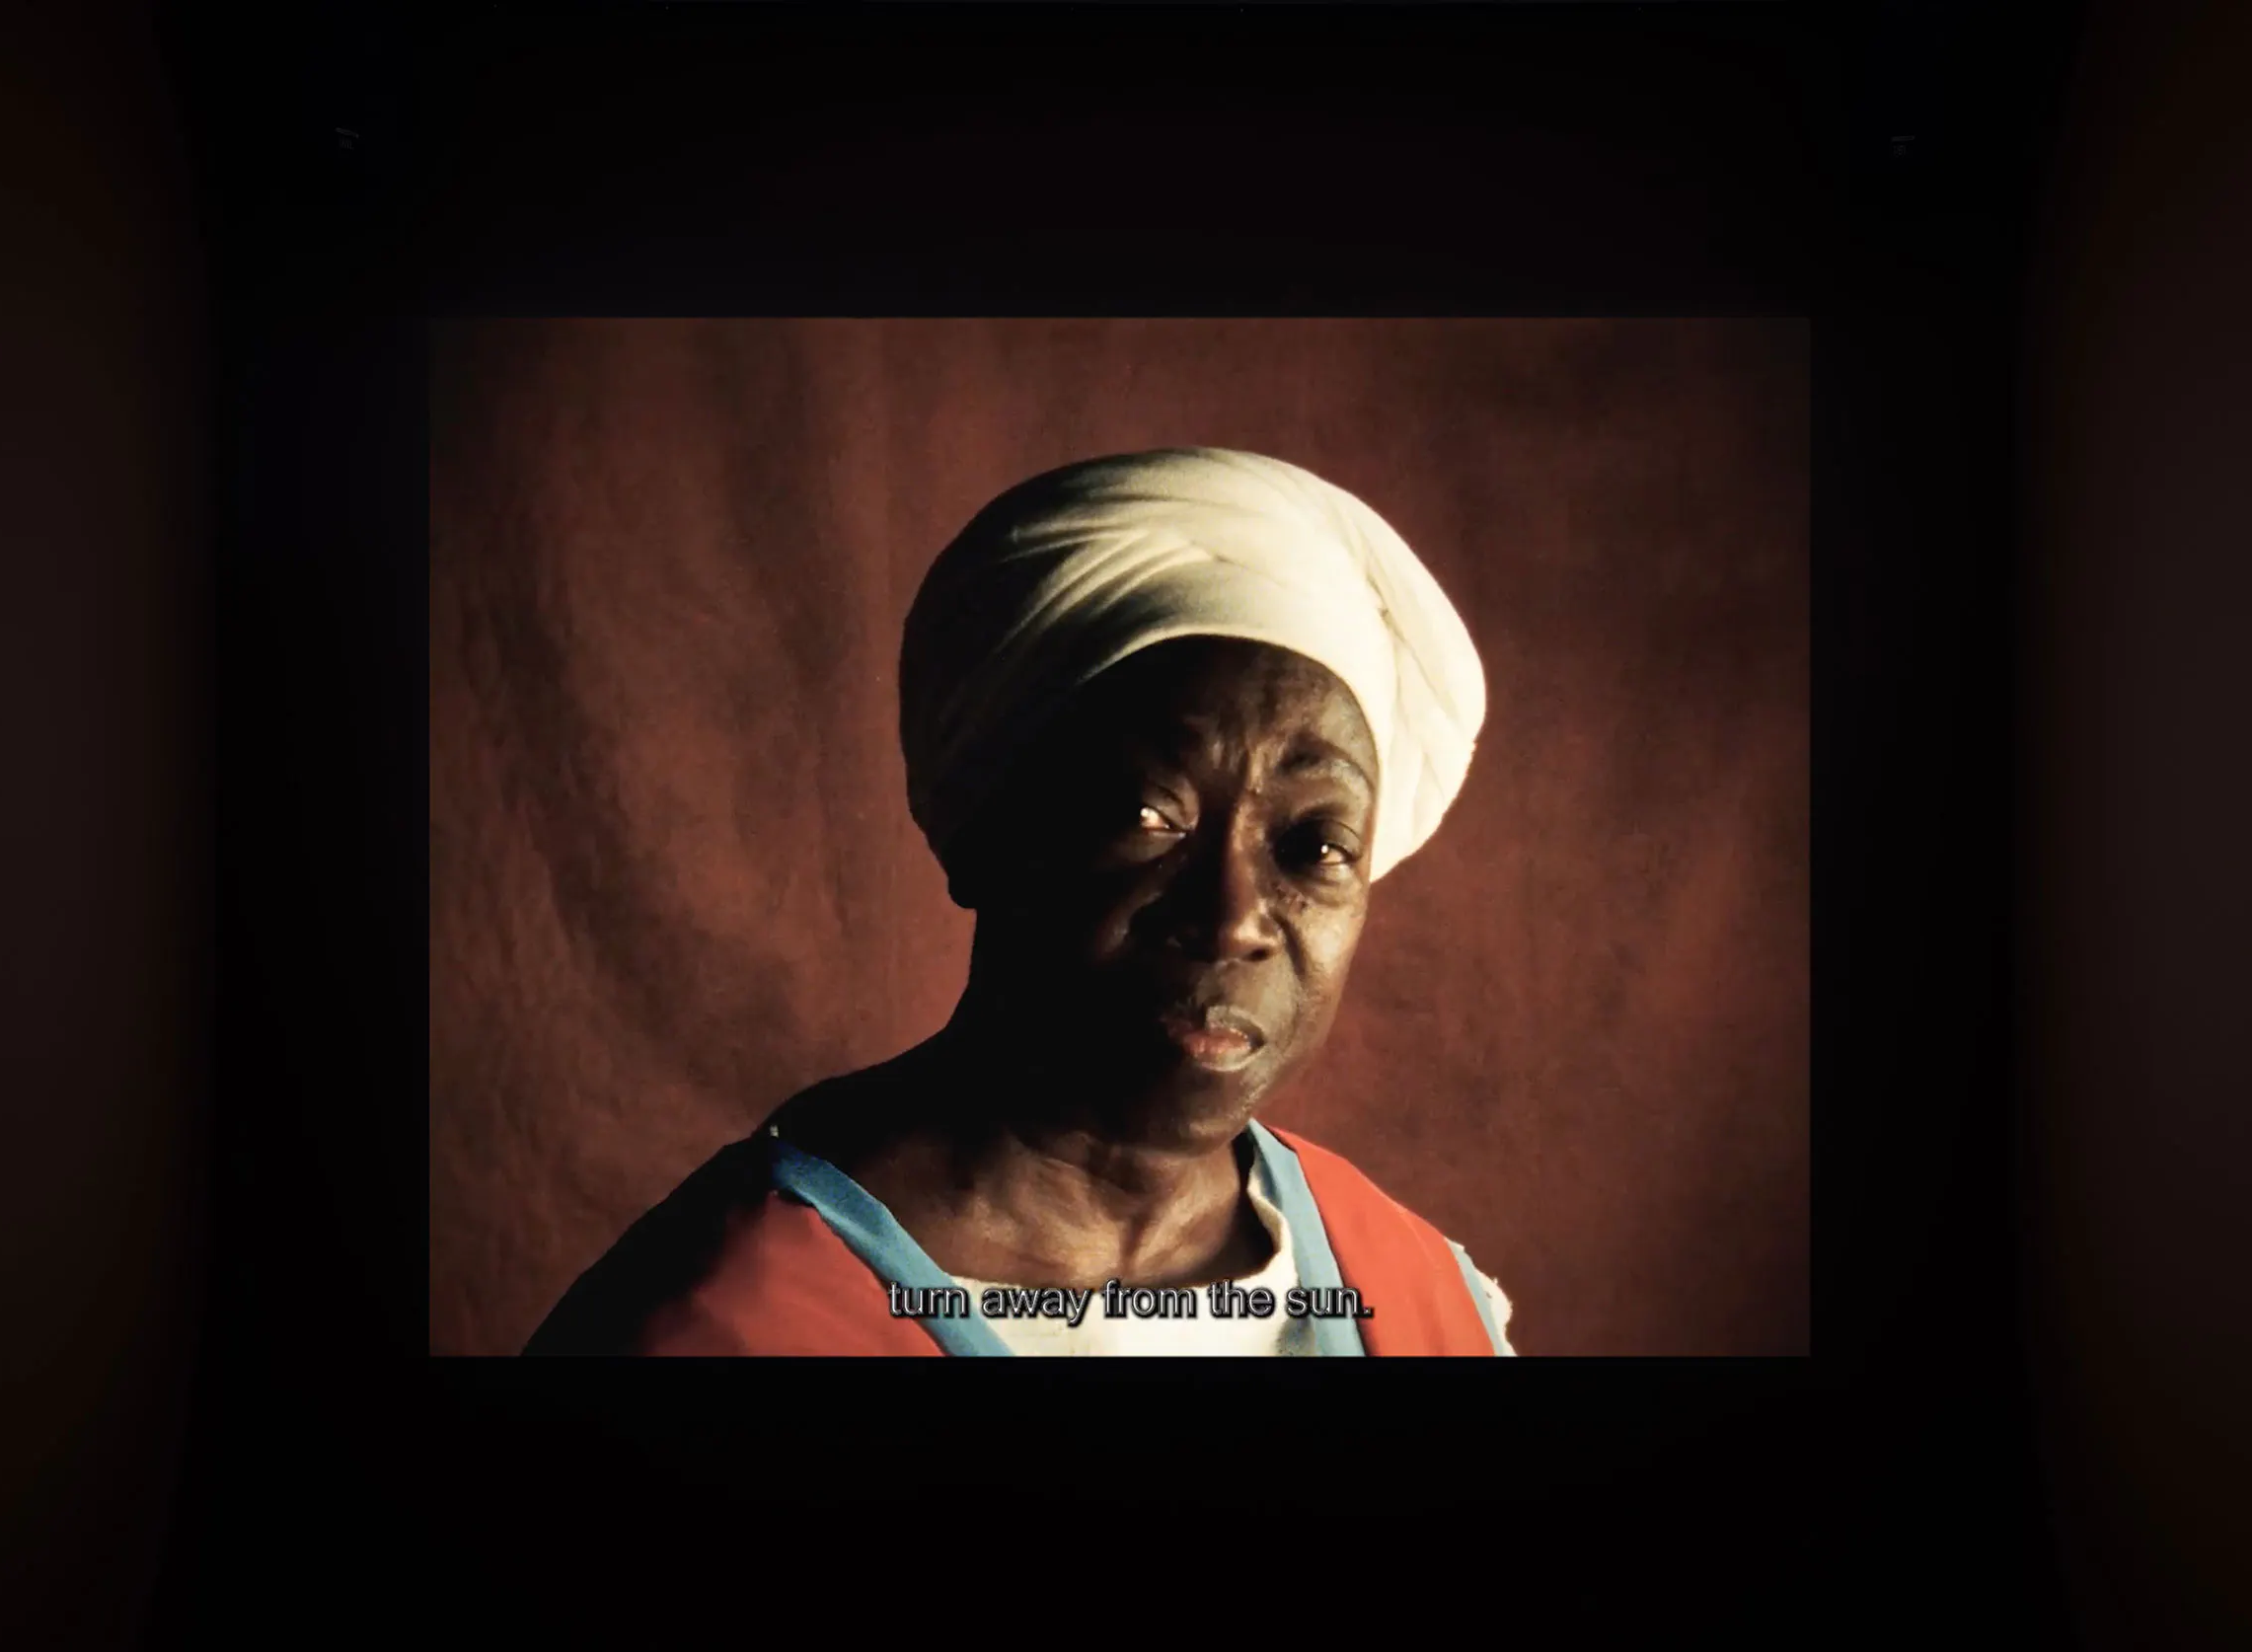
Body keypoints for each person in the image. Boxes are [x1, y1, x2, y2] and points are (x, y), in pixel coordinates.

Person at [525, 448, 1513, 1357]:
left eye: (1315, 846)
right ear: (988, 831)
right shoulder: (725, 1325)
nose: (1232, 916)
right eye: (1147, 813)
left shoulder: (1412, 1295)